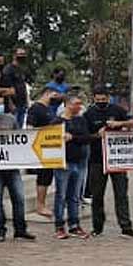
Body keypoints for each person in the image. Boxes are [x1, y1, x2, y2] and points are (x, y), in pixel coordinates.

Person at [84, 85, 133, 239]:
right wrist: (97, 135)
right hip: (97, 159)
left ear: (108, 98)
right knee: (97, 195)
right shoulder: (89, 114)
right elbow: (84, 137)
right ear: (94, 99)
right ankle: (97, 227)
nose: (101, 102)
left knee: (121, 194)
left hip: (117, 159)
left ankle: (126, 226)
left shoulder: (118, 111)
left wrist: (120, 124)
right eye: (98, 100)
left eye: (104, 99)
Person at [0, 94, 36, 242]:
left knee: (19, 198)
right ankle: (0, 230)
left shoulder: (11, 119)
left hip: (12, 167)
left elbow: (20, 140)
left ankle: (20, 230)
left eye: (1, 103)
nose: (0, 106)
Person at [53, 93, 99, 239]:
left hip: (78, 162)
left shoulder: (81, 120)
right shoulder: (57, 122)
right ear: (67, 104)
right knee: (61, 195)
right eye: (76, 103)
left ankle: (74, 225)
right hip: (63, 162)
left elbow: (86, 138)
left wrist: (72, 137)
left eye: (80, 104)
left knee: (74, 196)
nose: (79, 106)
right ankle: (59, 225)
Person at [26, 86, 59, 218]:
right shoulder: (35, 108)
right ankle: (40, 205)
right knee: (43, 177)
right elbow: (30, 128)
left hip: (51, 147)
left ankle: (43, 204)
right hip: (41, 147)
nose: (56, 99)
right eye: (54, 95)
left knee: (48, 176)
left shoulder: (49, 109)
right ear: (47, 94)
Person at [2, 48, 30, 126]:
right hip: (13, 104)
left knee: (20, 127)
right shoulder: (8, 69)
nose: (23, 56)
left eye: (24, 54)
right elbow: (7, 89)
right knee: (13, 127)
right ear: (14, 55)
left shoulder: (22, 69)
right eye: (20, 54)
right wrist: (10, 104)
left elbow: (24, 85)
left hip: (22, 103)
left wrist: (27, 100)